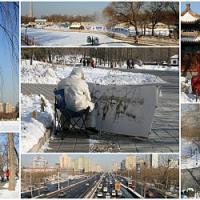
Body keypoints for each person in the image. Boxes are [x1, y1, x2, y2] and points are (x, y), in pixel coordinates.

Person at [57, 68, 97, 132]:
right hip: (79, 110)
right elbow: (88, 98)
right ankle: (90, 126)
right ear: (80, 74)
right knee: (91, 106)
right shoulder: (82, 83)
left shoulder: (61, 82)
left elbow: (58, 95)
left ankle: (65, 127)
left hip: (65, 110)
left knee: (65, 107)